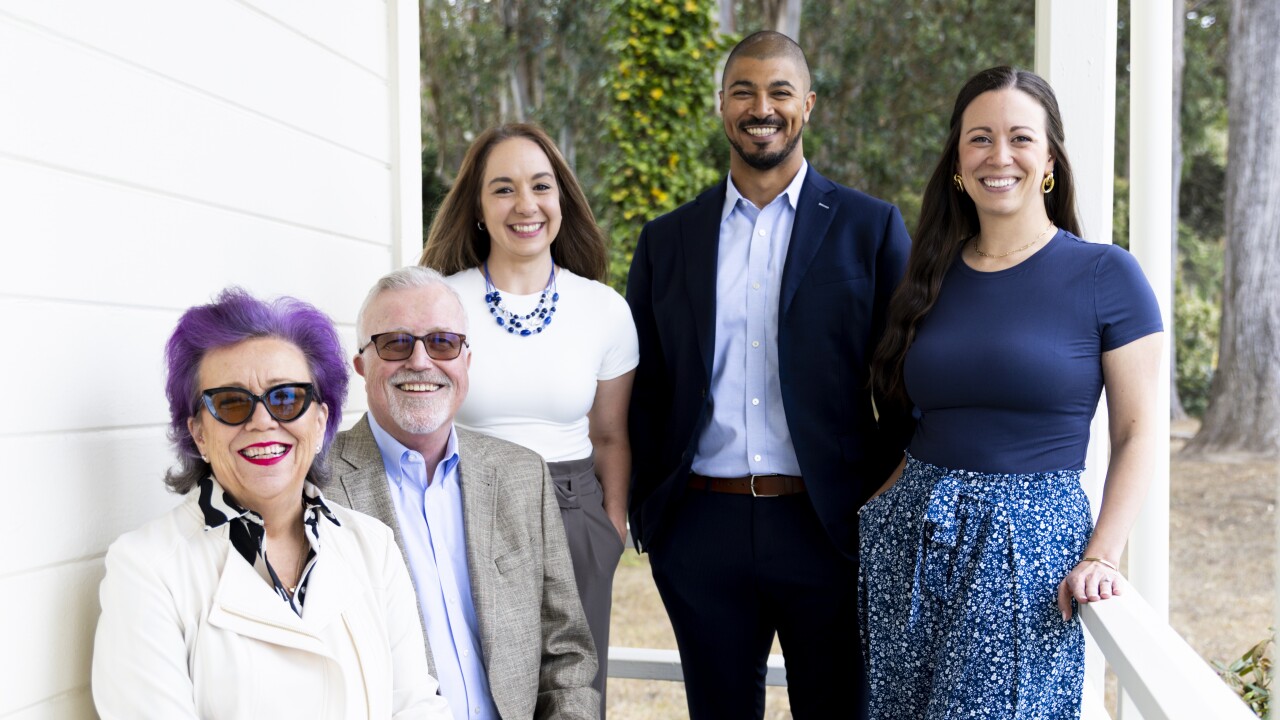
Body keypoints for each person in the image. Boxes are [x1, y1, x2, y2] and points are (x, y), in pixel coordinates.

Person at [625, 30, 913, 719]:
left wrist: (871, 501)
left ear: (807, 104)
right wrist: (657, 520)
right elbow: (645, 386)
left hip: (827, 528)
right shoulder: (668, 241)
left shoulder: (869, 229)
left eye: (780, 91)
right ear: (722, 105)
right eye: (744, 91)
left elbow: (908, 382)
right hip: (701, 528)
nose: (763, 107)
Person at [862, 66, 1163, 718]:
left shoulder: (1105, 274)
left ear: (1049, 157)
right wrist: (881, 508)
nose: (999, 156)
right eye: (980, 139)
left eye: (1020, 138)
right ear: (957, 161)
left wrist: (1103, 554)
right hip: (911, 540)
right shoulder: (929, 275)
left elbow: (1139, 431)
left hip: (1026, 546)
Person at [92, 288, 450, 719]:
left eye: (286, 398)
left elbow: (416, 707)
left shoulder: (374, 545)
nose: (262, 422)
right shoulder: (146, 569)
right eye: (231, 403)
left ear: (320, 422)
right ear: (198, 433)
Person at [420, 122, 637, 714]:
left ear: (561, 198)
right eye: (503, 189)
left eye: (540, 186)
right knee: (473, 688)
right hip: (466, 508)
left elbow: (611, 435)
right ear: (478, 207)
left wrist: (611, 527)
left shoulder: (604, 309)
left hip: (574, 514)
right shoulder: (440, 303)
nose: (526, 205)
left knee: (572, 694)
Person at [327, 266, 599, 720]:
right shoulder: (318, 487)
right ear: (361, 365)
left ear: (465, 361)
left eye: (442, 342)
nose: (419, 361)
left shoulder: (521, 475)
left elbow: (566, 650)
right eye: (395, 342)